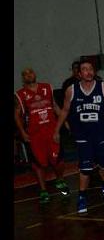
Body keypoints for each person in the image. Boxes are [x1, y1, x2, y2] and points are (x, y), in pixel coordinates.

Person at [53, 58, 104, 214]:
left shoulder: (103, 87)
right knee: (85, 167)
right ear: (79, 73)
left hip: (100, 133)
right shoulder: (71, 90)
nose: (88, 72)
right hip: (82, 135)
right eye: (85, 69)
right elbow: (64, 111)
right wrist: (57, 130)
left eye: (91, 69)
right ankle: (82, 196)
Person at [14, 68, 70, 202]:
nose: (29, 75)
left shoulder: (47, 87)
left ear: (35, 74)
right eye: (25, 74)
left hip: (52, 131)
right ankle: (43, 190)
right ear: (23, 78)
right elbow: (17, 115)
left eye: (30, 72)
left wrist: (65, 122)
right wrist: (22, 132)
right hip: (35, 135)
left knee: (59, 160)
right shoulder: (20, 94)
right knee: (39, 164)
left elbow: (55, 106)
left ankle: (60, 180)